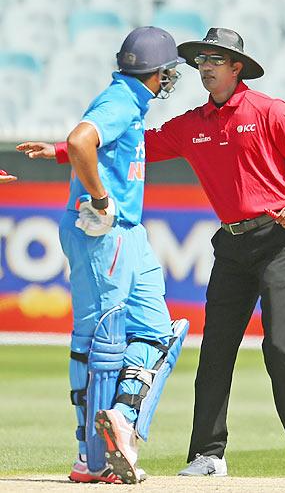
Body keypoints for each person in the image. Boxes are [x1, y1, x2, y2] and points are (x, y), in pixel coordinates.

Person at [20, 27, 285, 477]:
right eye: (200, 60)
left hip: (280, 235)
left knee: (279, 341)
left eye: (214, 60)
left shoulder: (270, 111)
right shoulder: (191, 124)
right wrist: (58, 152)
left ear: (236, 68)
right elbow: (129, 144)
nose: (203, 67)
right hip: (233, 241)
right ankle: (209, 454)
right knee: (215, 348)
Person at [17, 27, 189, 484]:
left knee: (159, 333)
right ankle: (90, 459)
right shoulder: (119, 100)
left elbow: (86, 147)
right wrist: (100, 199)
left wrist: (59, 154)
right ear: (158, 74)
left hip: (130, 235)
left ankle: (121, 419)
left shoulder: (131, 102)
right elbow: (81, 141)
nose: (170, 79)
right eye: (168, 72)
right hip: (103, 234)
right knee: (102, 341)